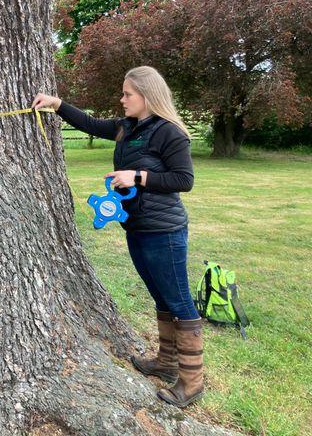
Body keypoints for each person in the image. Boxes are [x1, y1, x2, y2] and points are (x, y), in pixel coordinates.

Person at [31, 66, 204, 408]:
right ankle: (166, 363)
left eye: (128, 94)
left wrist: (137, 176)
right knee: (160, 297)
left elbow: (184, 180)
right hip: (137, 227)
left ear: (147, 96)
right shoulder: (128, 127)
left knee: (179, 301)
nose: (122, 100)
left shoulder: (170, 133)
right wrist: (57, 103)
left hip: (164, 231)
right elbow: (91, 124)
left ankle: (192, 381)